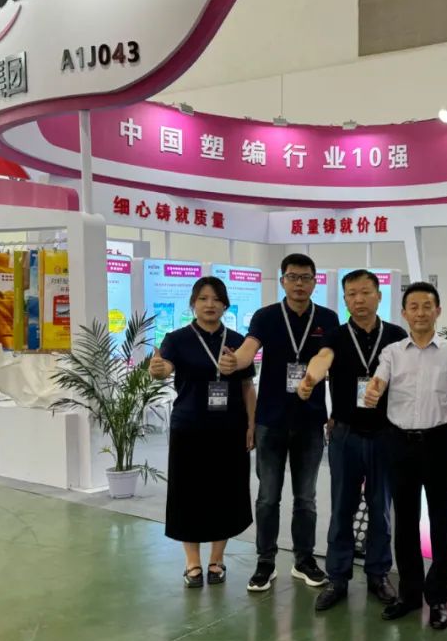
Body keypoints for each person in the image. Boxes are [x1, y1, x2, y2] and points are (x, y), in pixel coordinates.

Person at [219, 253, 338, 593]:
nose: (299, 284)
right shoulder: (267, 316)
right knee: (268, 497)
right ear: (283, 280)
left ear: (314, 282)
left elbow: (329, 360)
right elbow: (249, 349)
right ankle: (265, 561)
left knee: (306, 498)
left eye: (305, 277)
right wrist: (235, 361)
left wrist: (334, 411)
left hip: (310, 420)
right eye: (292, 277)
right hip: (271, 420)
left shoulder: (327, 319)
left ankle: (304, 560)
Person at [297, 269, 406, 611]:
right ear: (345, 300)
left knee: (380, 508)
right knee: (342, 507)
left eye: (365, 292)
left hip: (386, 433)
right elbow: (322, 359)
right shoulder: (336, 335)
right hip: (345, 434)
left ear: (379, 296)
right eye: (351, 295)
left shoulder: (396, 336)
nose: (358, 300)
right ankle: (338, 577)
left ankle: (378, 574)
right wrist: (310, 379)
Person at [364, 281, 447, 629]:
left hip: (439, 442)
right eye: (414, 307)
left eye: (427, 306)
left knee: (442, 523)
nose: (420, 313)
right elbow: (379, 380)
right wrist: (373, 391)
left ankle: (438, 598)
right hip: (400, 443)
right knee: (405, 522)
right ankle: (409, 595)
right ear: (404, 313)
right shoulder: (393, 352)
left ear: (438, 311)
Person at [150, 276, 256, 588]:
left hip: (230, 429)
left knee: (226, 493)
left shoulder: (238, 341)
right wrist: (158, 369)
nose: (210, 304)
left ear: (225, 305)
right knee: (189, 494)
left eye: (216, 299)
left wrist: (252, 424)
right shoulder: (177, 339)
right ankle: (192, 562)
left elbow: (247, 387)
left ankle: (217, 560)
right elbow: (164, 367)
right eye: (203, 298)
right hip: (189, 428)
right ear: (193, 304)